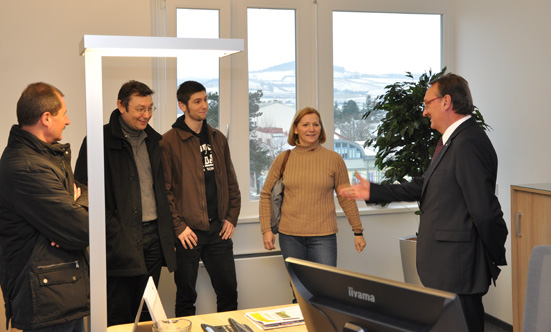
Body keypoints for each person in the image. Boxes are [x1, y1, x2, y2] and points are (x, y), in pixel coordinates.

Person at [339, 73, 508, 332]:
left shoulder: (469, 142)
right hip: (447, 268)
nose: (424, 111)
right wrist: (373, 192)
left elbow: (485, 212)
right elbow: (423, 186)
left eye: (427, 103)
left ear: (446, 102)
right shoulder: (450, 141)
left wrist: (493, 253)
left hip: (458, 269)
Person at [74, 80, 177, 326]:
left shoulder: (155, 140)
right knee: (118, 312)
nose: (146, 115)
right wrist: (111, 227)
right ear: (121, 106)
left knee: (146, 311)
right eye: (140, 109)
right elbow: (82, 191)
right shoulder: (98, 140)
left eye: (150, 108)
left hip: (153, 237)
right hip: (118, 239)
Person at [0, 82, 89, 331]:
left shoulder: (46, 158)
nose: (68, 121)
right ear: (46, 118)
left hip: (59, 290)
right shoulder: (27, 167)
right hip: (46, 301)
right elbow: (82, 228)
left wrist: (73, 203)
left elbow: (82, 197)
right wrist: (72, 208)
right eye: (64, 113)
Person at [160, 80, 241, 317]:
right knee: (186, 297)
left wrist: (231, 218)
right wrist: (179, 227)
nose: (204, 105)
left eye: (206, 99)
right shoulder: (167, 142)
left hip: (219, 230)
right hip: (188, 233)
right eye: (197, 101)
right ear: (182, 106)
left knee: (228, 293)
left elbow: (231, 183)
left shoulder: (217, 138)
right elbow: (165, 192)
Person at [259, 107, 366, 269]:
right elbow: (266, 194)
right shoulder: (283, 159)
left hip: (324, 237)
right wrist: (266, 229)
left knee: (326, 286)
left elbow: (346, 197)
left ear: (321, 128)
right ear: (295, 129)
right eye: (305, 125)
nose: (311, 129)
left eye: (316, 124)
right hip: (290, 237)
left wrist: (358, 232)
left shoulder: (333, 159)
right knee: (299, 288)